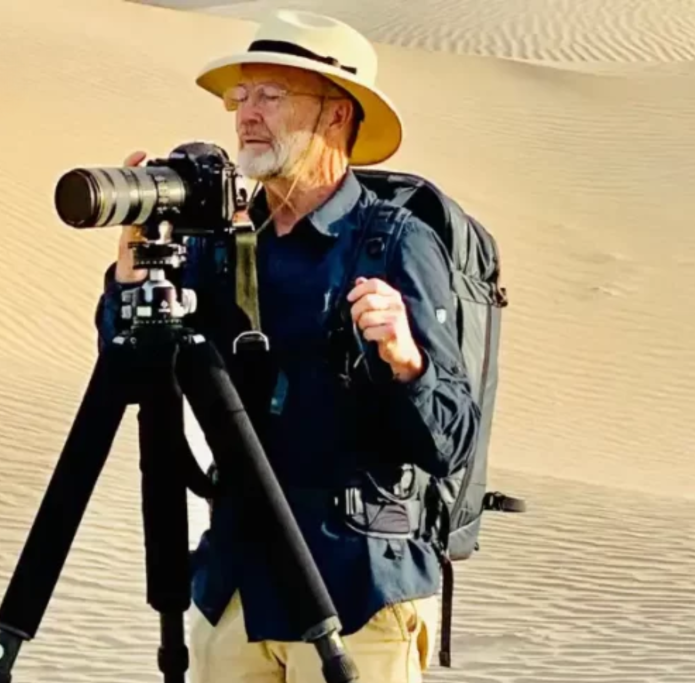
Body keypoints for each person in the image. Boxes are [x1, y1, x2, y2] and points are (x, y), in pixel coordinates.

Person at [94, 9, 480, 683]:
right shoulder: (220, 243)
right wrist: (130, 279)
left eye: (271, 95)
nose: (246, 113)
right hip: (236, 585)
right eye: (240, 97)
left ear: (337, 113)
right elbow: (129, 366)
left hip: (357, 588)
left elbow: (453, 442)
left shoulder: (395, 243)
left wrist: (406, 360)